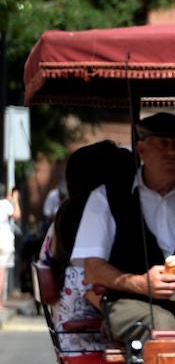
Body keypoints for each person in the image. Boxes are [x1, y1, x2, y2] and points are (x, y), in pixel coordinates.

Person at [71, 113, 175, 345]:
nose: (172, 152)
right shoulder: (106, 197)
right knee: (163, 327)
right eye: (163, 144)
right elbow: (93, 269)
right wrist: (141, 283)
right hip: (126, 300)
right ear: (142, 150)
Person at [38, 141, 137, 351]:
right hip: (90, 336)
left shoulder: (64, 215)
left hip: (66, 333)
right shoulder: (89, 219)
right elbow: (92, 290)